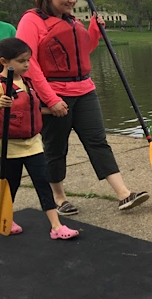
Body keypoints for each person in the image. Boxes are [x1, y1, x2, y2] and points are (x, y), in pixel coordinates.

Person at [15, 0, 149, 215]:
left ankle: (124, 194)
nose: (72, 0)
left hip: (85, 90)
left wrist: (94, 30)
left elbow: (83, 51)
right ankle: (58, 198)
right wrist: (50, 99)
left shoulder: (72, 20)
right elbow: (29, 65)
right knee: (56, 147)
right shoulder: (31, 21)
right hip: (54, 92)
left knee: (98, 141)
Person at [0, 37, 78, 239]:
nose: (26, 65)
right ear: (4, 61)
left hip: (33, 144)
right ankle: (6, 217)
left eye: (28, 60)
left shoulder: (27, 82)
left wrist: (51, 110)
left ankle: (56, 226)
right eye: (21, 61)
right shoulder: (1, 87)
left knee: (43, 182)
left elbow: (30, 109)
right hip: (9, 147)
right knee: (12, 184)